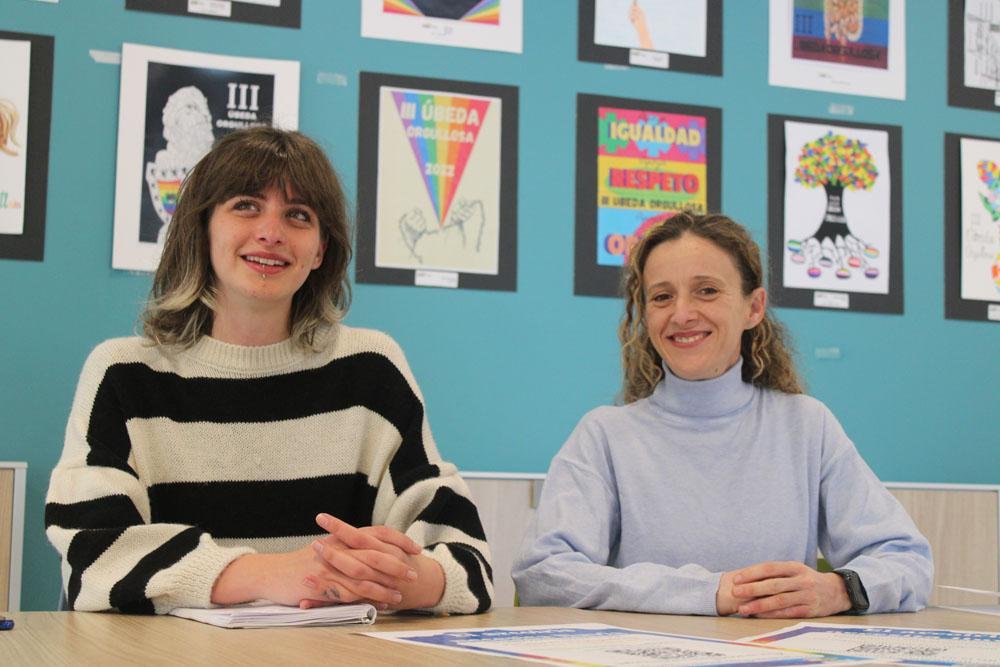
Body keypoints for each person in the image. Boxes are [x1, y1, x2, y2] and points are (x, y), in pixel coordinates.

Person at [45, 126, 493, 615]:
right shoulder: (122, 374)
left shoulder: (372, 371)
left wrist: (402, 579)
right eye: (246, 205)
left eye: (298, 215)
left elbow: (469, 562)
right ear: (202, 228)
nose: (271, 232)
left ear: (320, 249)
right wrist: (271, 573)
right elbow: (92, 557)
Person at [512, 212, 931, 617]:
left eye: (706, 290)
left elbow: (908, 559)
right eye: (662, 297)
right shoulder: (604, 435)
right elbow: (543, 574)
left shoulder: (806, 426)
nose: (681, 314)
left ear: (754, 308)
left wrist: (840, 589)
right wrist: (711, 592)